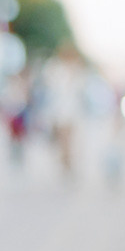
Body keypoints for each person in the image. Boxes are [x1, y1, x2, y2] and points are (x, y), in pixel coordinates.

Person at [39, 47, 89, 182]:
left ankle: (67, 164)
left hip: (71, 112)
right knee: (63, 141)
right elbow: (51, 87)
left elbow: (80, 90)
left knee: (68, 141)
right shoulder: (56, 68)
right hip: (59, 112)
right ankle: (66, 163)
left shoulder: (78, 71)